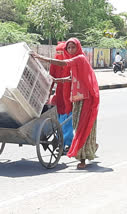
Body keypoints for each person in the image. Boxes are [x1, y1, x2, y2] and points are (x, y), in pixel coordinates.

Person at [32, 38, 100, 169]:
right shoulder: (76, 62)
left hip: (87, 99)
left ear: (78, 48)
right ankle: (92, 146)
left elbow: (62, 64)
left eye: (73, 47)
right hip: (78, 99)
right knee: (78, 125)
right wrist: (57, 80)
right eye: (68, 48)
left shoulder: (80, 58)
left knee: (81, 128)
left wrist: (39, 57)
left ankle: (82, 159)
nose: (70, 50)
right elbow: (71, 78)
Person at [49, 42, 73, 152]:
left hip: (69, 93)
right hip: (60, 93)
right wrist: (48, 92)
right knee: (60, 117)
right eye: (57, 52)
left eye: (61, 52)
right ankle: (64, 141)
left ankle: (66, 141)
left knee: (67, 117)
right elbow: (51, 78)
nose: (59, 54)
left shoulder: (70, 63)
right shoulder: (55, 63)